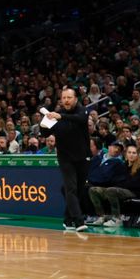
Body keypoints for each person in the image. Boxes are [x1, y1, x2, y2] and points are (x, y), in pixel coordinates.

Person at [41, 87, 90, 232]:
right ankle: (78, 221)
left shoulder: (82, 110)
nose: (66, 100)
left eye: (69, 98)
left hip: (82, 156)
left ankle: (67, 218)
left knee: (79, 189)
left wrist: (60, 117)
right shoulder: (57, 114)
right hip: (65, 157)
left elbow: (81, 119)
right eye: (64, 98)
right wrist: (45, 122)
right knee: (71, 188)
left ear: (75, 99)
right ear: (61, 100)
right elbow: (45, 132)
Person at [89, 144, 140, 228]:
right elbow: (115, 180)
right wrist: (122, 183)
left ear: (137, 155)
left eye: (134, 153)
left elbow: (135, 184)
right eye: (129, 152)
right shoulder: (122, 165)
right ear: (126, 154)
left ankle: (116, 219)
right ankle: (101, 216)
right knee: (93, 190)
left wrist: (122, 183)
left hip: (133, 192)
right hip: (119, 189)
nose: (131, 155)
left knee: (111, 190)